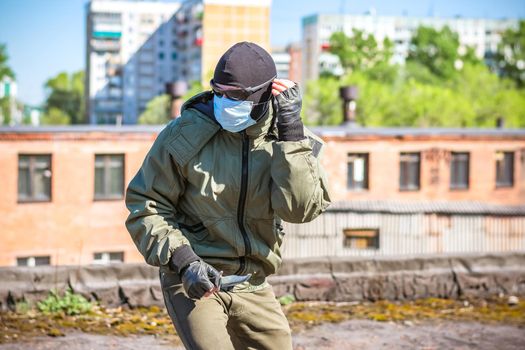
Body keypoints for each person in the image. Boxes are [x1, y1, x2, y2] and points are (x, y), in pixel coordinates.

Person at [125, 41, 331, 350]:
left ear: (265, 95)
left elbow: (298, 211)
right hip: (194, 277)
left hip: (253, 283)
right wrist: (184, 260)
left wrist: (291, 135)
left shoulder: (290, 138)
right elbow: (146, 205)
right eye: (218, 92)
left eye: (235, 96)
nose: (224, 102)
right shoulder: (184, 136)